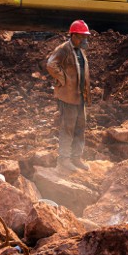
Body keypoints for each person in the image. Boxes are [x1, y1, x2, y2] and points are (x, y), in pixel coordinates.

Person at [46, 20, 92, 172]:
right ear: (73, 35)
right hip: (68, 97)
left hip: (80, 97)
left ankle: (76, 158)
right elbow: (51, 64)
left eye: (85, 37)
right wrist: (63, 79)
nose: (83, 40)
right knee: (68, 128)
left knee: (80, 128)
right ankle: (64, 160)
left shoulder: (80, 51)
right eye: (80, 37)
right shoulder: (64, 49)